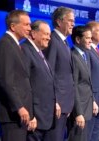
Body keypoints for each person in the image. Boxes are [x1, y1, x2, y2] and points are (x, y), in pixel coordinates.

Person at [0, 10, 32, 141]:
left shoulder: (14, 45)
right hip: (11, 114)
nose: (29, 28)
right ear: (13, 26)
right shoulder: (5, 44)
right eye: (26, 25)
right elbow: (6, 81)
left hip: (19, 115)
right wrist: (19, 107)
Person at [43, 6, 75, 141]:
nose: (73, 24)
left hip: (65, 104)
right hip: (57, 105)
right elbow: (48, 72)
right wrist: (55, 100)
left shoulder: (64, 42)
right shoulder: (52, 40)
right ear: (59, 22)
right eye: (70, 21)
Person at [21, 20, 55, 141]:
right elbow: (24, 85)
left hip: (45, 116)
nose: (49, 38)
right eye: (46, 34)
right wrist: (31, 114)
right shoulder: (25, 50)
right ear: (34, 34)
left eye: (49, 35)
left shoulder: (39, 52)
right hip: (34, 117)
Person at [68, 25, 95, 141]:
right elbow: (73, 86)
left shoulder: (85, 55)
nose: (91, 41)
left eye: (91, 38)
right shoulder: (73, 56)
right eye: (88, 38)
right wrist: (78, 113)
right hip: (79, 111)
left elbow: (87, 83)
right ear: (78, 40)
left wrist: (93, 100)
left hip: (87, 108)